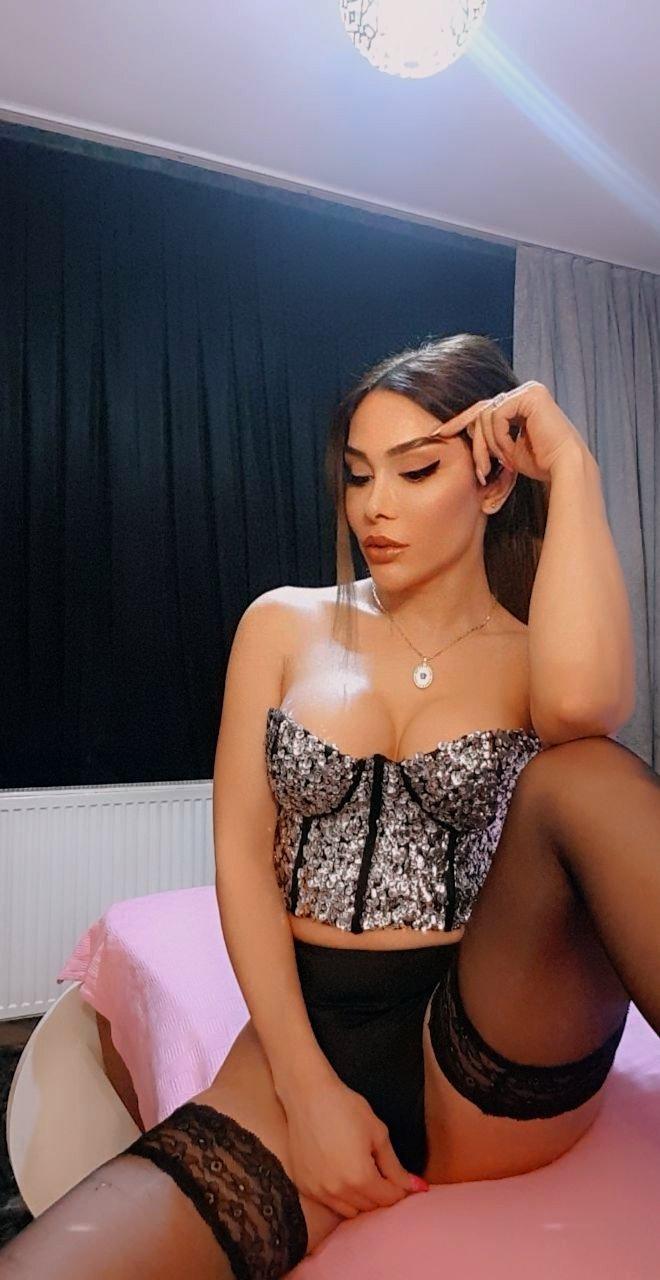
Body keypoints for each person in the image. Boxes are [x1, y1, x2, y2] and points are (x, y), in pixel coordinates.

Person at [2, 334, 658, 1280]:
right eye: (357, 475)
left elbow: (584, 712)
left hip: (487, 1040)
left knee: (584, 777)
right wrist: (307, 1091)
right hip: (309, 1028)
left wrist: (575, 465)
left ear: (492, 483)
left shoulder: (536, 657)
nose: (374, 506)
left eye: (416, 471)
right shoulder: (282, 623)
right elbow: (241, 856)